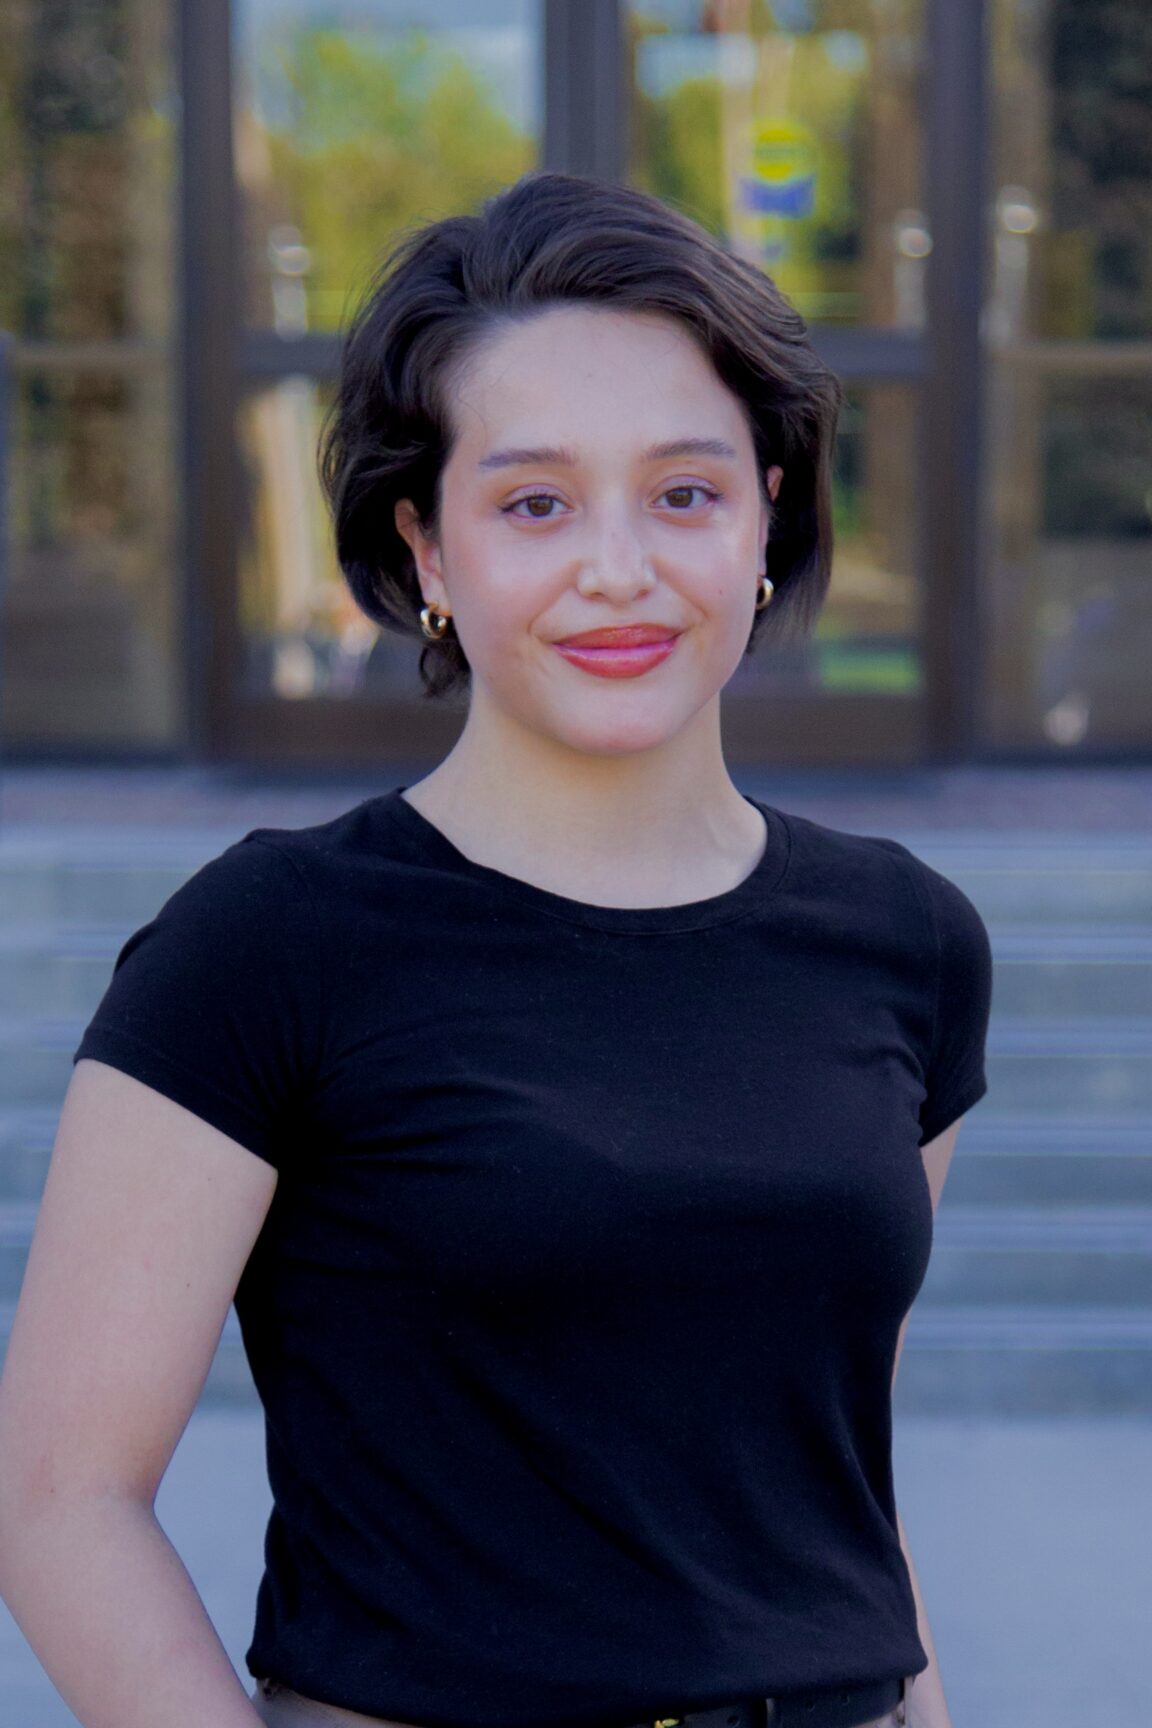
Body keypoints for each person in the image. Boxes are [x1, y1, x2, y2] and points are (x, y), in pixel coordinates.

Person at [0, 170, 992, 1728]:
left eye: (685, 492)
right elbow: (58, 1497)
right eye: (535, 501)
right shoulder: (266, 946)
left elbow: (835, 1480)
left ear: (768, 513)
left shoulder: (906, 941)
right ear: (430, 549)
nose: (620, 566)